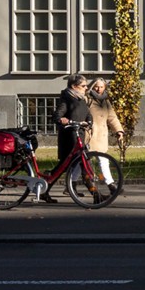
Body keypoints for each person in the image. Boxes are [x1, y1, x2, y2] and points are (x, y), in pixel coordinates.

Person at [46, 74, 90, 202]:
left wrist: (89, 122)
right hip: (69, 138)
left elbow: (88, 114)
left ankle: (45, 189)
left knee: (67, 166)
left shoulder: (81, 99)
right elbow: (57, 116)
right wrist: (62, 120)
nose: (86, 88)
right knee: (81, 164)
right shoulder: (67, 99)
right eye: (83, 86)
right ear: (74, 86)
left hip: (79, 135)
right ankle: (95, 193)